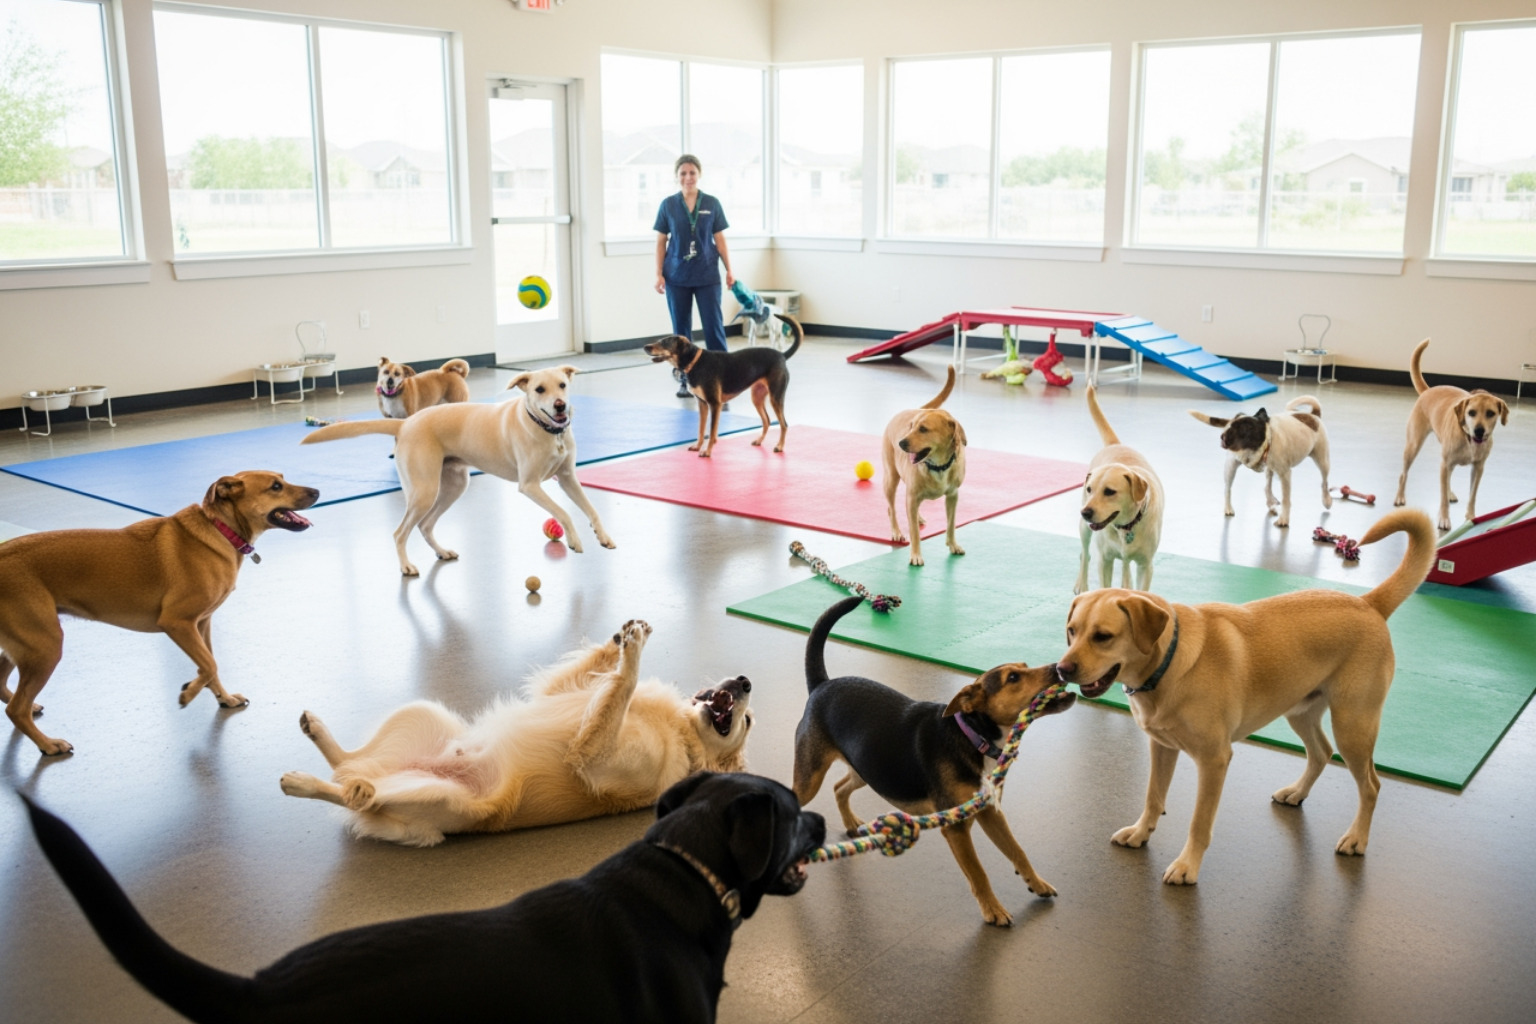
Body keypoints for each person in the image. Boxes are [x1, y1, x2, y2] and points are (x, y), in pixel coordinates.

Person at [655, 154, 734, 398]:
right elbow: (661, 242)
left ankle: (724, 378)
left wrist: (730, 269)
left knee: (714, 328)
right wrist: (658, 274)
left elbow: (720, 240)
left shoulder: (712, 202)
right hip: (677, 276)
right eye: (683, 173)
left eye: (692, 173)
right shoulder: (668, 205)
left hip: (707, 274)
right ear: (677, 177)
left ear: (699, 174)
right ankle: (685, 378)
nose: (688, 177)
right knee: (681, 333)